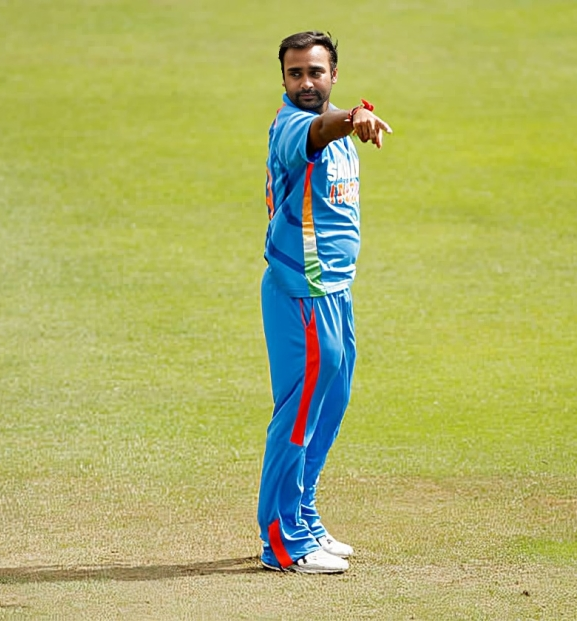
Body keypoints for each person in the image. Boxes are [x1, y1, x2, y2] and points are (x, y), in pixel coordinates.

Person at [257, 31, 393, 574]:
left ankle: (304, 517)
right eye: (295, 73)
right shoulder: (296, 126)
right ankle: (281, 541)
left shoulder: (338, 130)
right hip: (301, 293)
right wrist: (354, 116)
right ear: (284, 79)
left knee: (329, 407)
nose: (305, 82)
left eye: (315, 72)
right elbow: (317, 128)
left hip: (335, 292)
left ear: (333, 74)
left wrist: (351, 119)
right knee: (297, 418)